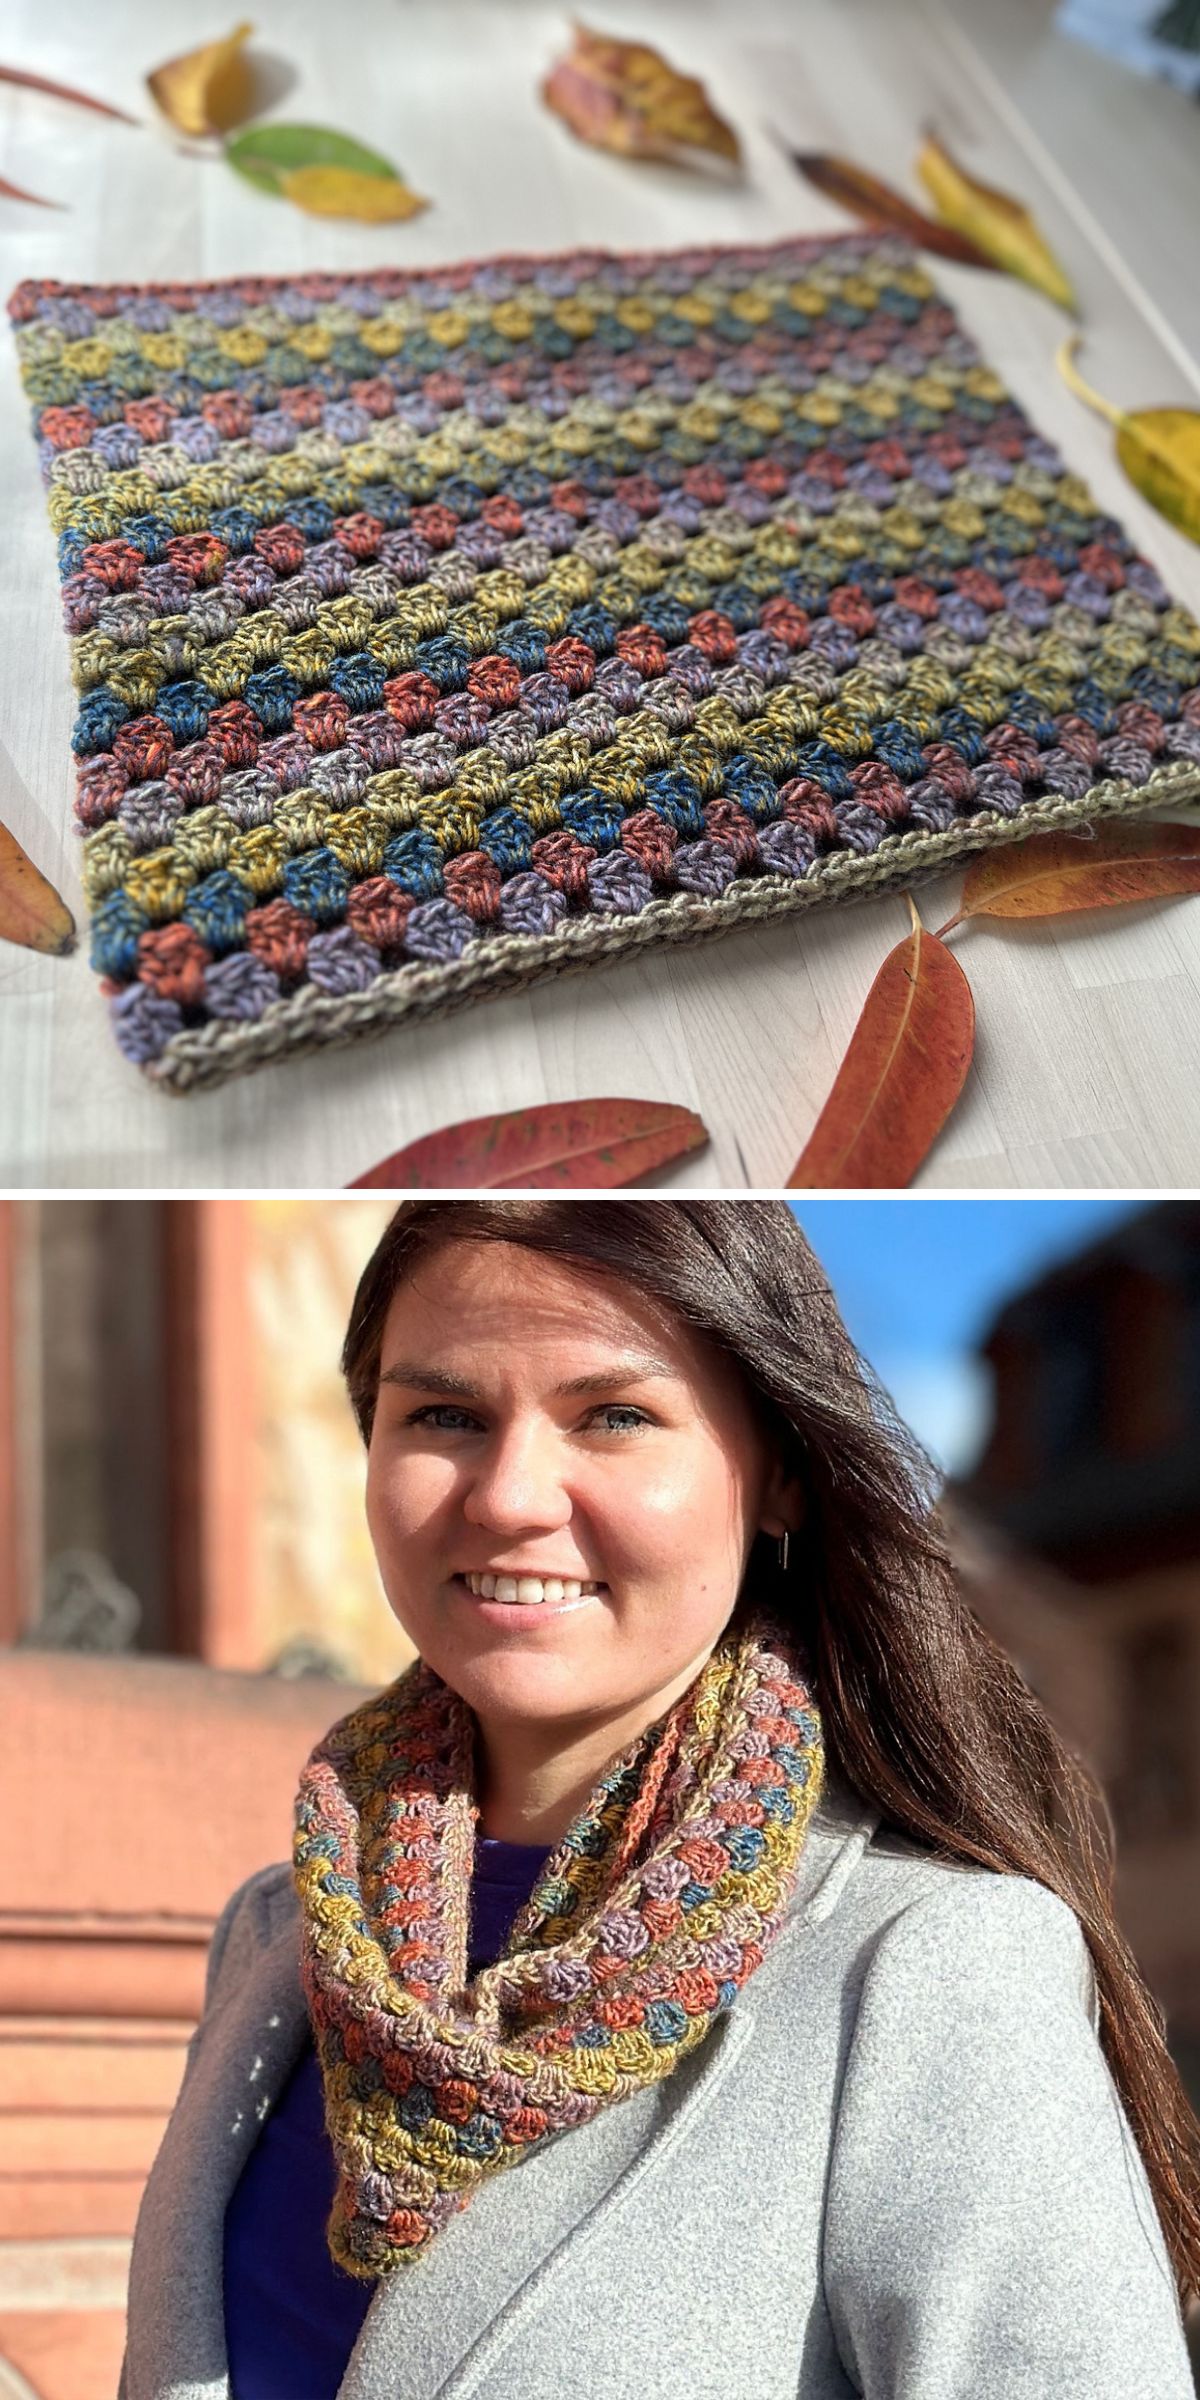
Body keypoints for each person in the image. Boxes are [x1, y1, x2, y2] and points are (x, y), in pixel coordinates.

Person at [120, 1199, 1200, 2400]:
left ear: (780, 1473)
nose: (512, 1495)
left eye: (615, 1417)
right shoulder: (281, 1936)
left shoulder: (922, 1964)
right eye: (443, 1415)